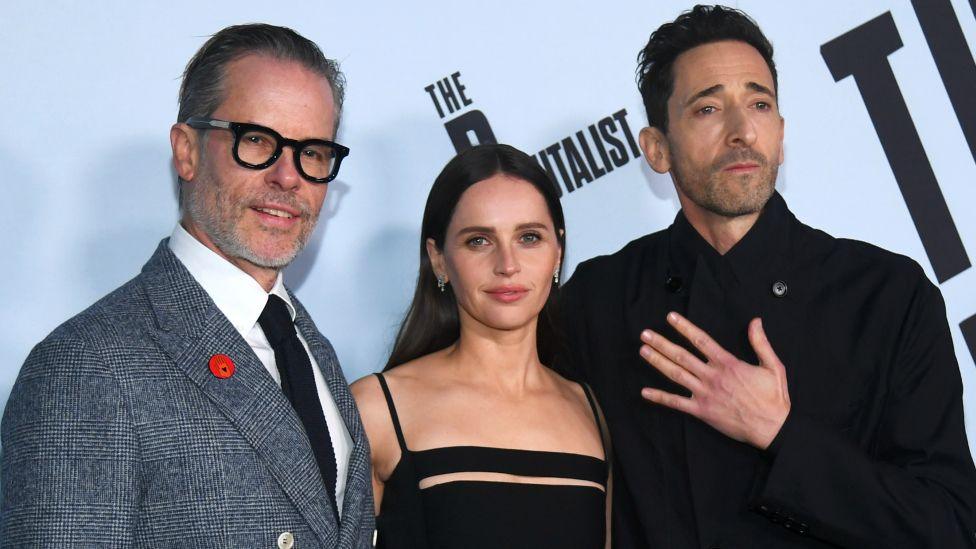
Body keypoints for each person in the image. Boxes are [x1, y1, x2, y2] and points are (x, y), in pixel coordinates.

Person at [560, 5, 976, 548]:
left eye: (759, 104)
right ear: (657, 149)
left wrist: (783, 436)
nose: (741, 132)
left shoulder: (887, 295)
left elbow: (948, 527)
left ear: (780, 134)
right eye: (707, 108)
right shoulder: (597, 302)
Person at [1, 24, 373, 548]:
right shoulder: (85, 366)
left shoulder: (312, 350)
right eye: (258, 141)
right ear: (187, 151)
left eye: (311, 152)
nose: (288, 178)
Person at [351, 144, 610, 548]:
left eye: (528, 237)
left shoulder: (592, 411)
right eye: (478, 241)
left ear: (557, 251)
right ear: (438, 260)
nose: (507, 264)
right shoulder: (377, 409)